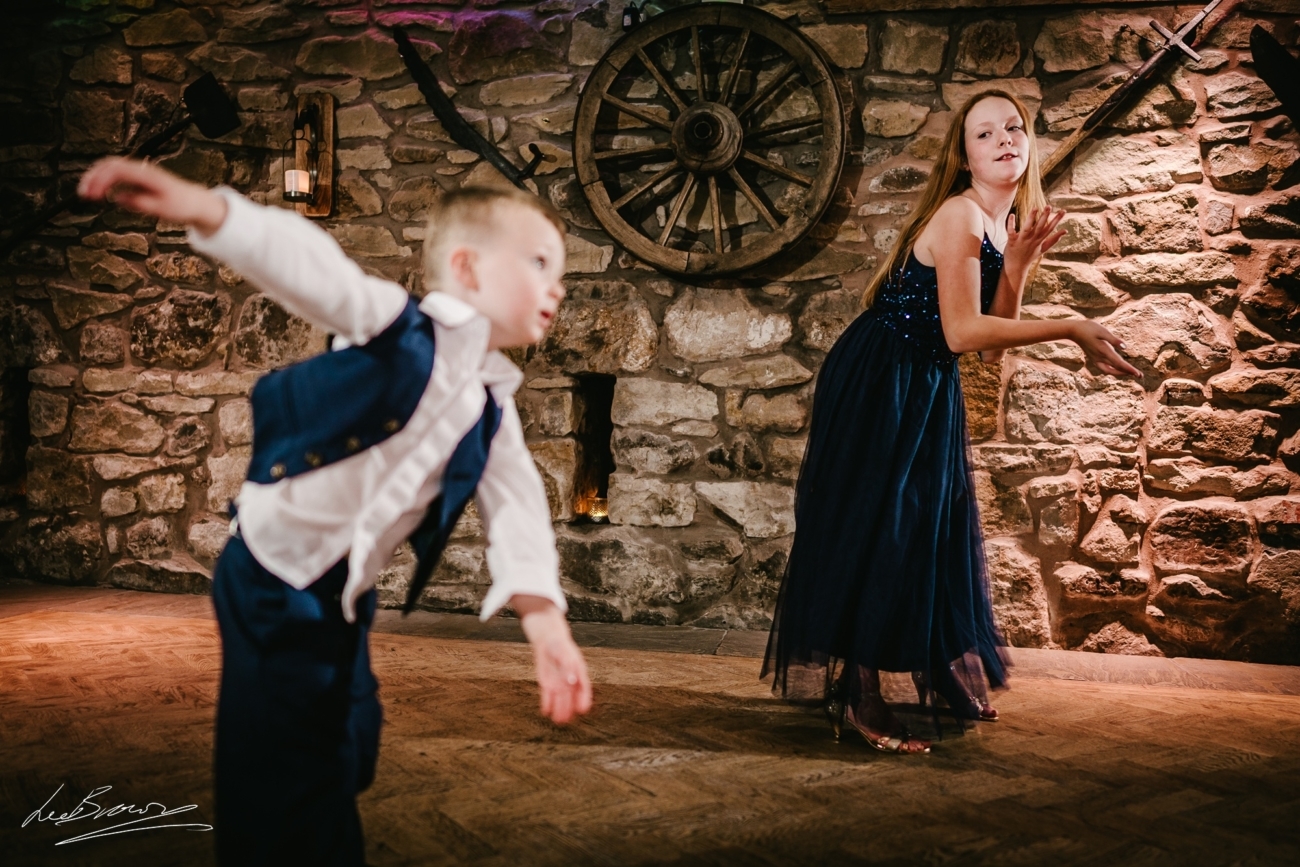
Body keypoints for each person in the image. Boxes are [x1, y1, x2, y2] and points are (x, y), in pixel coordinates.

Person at [78, 157, 593, 863]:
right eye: (539, 261)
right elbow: (312, 266)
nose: (556, 285)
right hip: (270, 575)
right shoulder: (394, 325)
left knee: (353, 736)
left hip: (339, 587)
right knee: (289, 767)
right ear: (467, 267)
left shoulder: (491, 404)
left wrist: (548, 626)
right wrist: (205, 207)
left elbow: (519, 511)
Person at [761, 91, 1141, 755]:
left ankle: (934, 661)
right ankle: (859, 689)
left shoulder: (998, 225)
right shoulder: (960, 214)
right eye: (984, 133)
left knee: (935, 518)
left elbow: (988, 346)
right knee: (884, 522)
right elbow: (965, 330)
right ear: (964, 157)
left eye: (1013, 128)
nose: (1003, 140)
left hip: (924, 379)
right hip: (882, 375)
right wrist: (1074, 326)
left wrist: (1018, 266)